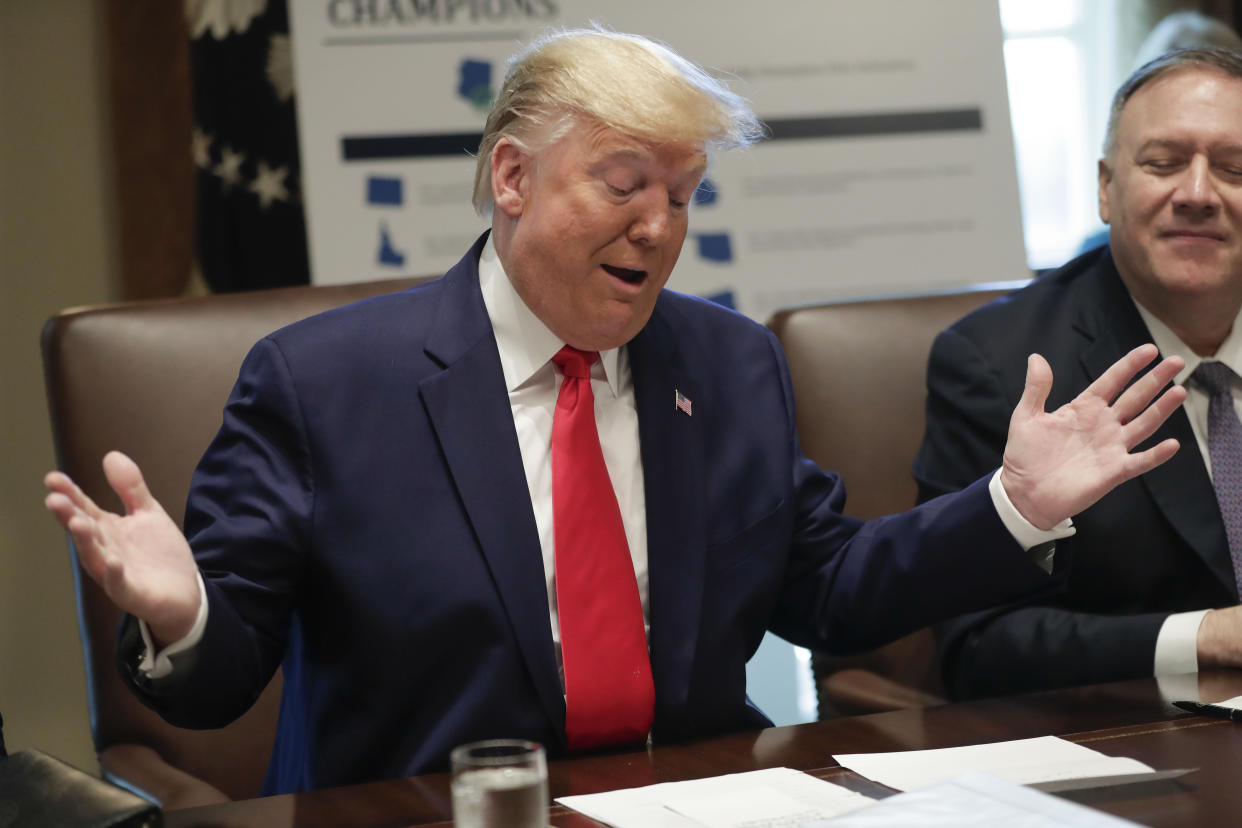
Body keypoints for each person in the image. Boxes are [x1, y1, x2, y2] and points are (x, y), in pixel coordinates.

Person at [45, 27, 1185, 794]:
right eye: (625, 184)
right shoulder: (322, 383)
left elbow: (828, 590)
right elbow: (219, 677)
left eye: (682, 196)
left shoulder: (728, 363)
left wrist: (1012, 508)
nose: (659, 228)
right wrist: (184, 612)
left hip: (695, 803)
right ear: (511, 179)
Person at [916, 47, 1242, 701]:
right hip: (1141, 748)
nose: (1199, 194)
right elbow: (981, 643)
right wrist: (1206, 637)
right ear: (1106, 187)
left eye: (1234, 168)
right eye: (1163, 163)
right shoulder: (1000, 369)